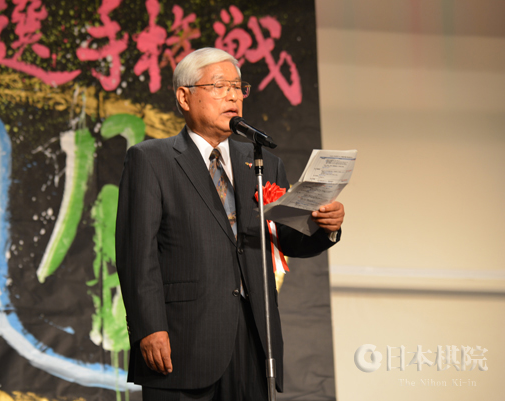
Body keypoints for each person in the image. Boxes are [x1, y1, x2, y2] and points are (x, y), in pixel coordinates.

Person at [115, 47, 344, 401]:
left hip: (253, 337)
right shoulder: (151, 160)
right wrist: (149, 328)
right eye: (220, 86)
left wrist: (324, 225)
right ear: (184, 97)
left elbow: (288, 239)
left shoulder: (263, 163)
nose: (233, 96)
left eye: (238, 87)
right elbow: (136, 255)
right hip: (182, 339)